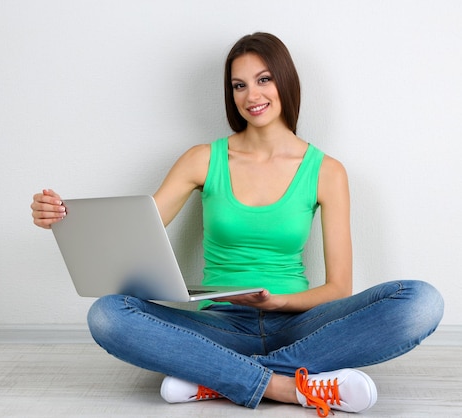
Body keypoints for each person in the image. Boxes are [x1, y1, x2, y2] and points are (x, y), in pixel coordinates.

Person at [31, 32, 444, 417]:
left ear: (285, 82)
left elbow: (339, 289)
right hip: (219, 323)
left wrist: (278, 302)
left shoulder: (327, 171)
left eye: (263, 79)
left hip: (300, 324)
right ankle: (286, 386)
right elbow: (135, 234)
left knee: (421, 300)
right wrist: (62, 219)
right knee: (106, 314)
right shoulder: (202, 159)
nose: (252, 95)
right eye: (239, 85)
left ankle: (217, 377)